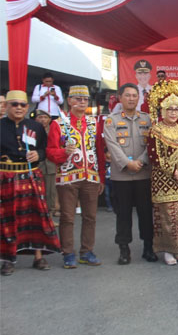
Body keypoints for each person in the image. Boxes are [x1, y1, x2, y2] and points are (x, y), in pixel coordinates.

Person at [0, 90, 61, 276]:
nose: (19, 108)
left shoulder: (35, 126)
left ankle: (38, 256)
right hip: (7, 178)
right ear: (7, 106)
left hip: (31, 176)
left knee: (36, 217)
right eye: (14, 104)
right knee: (7, 220)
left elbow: (44, 149)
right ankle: (8, 259)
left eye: (22, 105)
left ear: (27, 107)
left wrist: (38, 154)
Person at [46, 85, 106, 268]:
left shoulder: (94, 123)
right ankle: (68, 253)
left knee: (90, 217)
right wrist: (63, 152)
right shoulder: (58, 124)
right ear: (69, 100)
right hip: (67, 177)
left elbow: (99, 151)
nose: (82, 102)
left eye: (85, 99)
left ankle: (86, 251)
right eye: (78, 99)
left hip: (91, 176)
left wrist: (101, 177)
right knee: (67, 217)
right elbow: (50, 152)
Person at [103, 83, 156, 265]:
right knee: (123, 214)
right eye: (128, 95)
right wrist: (127, 164)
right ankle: (124, 249)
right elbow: (112, 145)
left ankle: (148, 247)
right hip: (122, 176)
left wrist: (140, 162)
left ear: (138, 98)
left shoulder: (147, 119)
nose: (131, 99)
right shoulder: (111, 121)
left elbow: (152, 144)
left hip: (143, 174)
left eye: (134, 95)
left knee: (145, 213)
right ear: (120, 97)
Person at [147, 81, 178, 266]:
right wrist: (174, 172)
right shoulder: (156, 130)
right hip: (164, 181)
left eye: (176, 109)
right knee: (168, 216)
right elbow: (155, 157)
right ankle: (168, 251)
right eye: (169, 109)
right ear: (162, 110)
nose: (173, 112)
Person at [34, 109, 58, 219]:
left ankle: (50, 216)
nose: (43, 120)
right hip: (37, 166)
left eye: (45, 117)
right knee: (36, 192)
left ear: (49, 119)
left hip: (50, 165)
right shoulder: (32, 131)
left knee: (50, 192)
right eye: (40, 117)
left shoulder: (53, 130)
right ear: (35, 119)